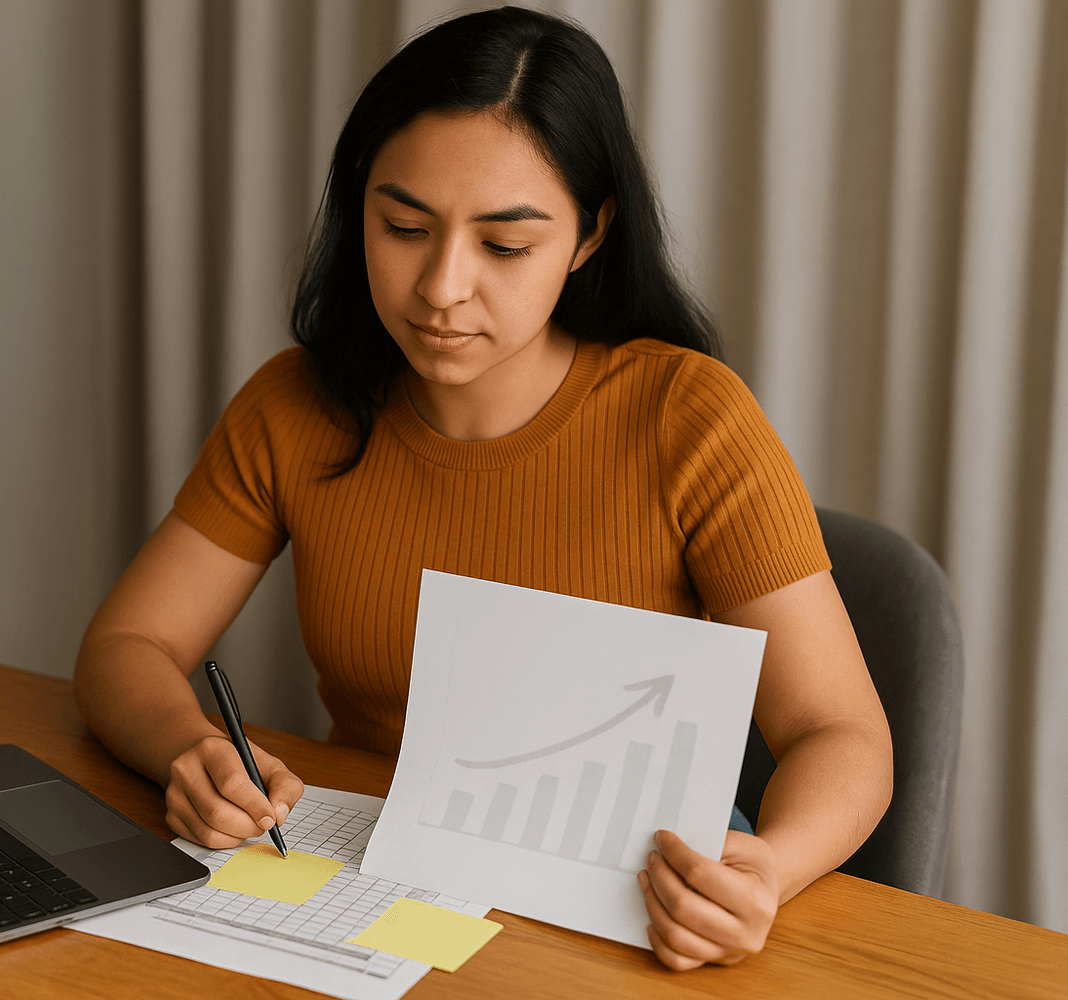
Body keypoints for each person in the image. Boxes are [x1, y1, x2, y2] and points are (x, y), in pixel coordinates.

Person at [74, 5, 891, 971]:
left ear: (590, 235)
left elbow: (841, 734)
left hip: (617, 904)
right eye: (404, 226)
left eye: (505, 247)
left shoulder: (689, 419)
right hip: (368, 882)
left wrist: (768, 871)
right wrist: (187, 750)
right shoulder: (298, 406)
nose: (442, 287)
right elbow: (129, 643)